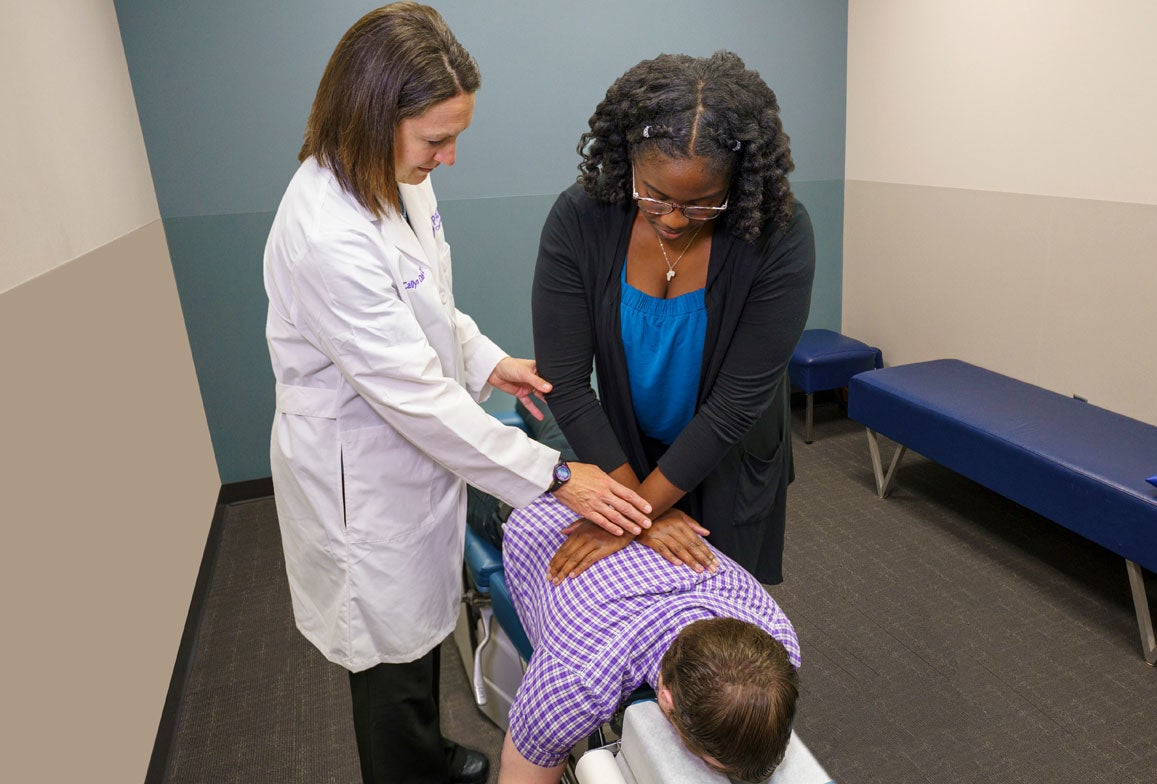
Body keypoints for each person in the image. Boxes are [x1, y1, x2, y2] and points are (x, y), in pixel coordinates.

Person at [262, 4, 652, 783]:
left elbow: (429, 303)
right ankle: (406, 771)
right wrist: (554, 475)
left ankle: (429, 754)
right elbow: (415, 400)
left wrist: (484, 359)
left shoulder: (398, 178)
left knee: (419, 638)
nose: (448, 159)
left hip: (409, 452)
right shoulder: (326, 235)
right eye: (436, 140)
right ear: (372, 118)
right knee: (387, 657)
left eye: (455, 138)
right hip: (361, 482)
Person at [532, 51, 815, 586]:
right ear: (628, 161)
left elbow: (733, 408)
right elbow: (566, 383)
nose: (674, 219)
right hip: (621, 450)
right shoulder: (581, 218)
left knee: (722, 607)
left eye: (704, 203)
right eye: (654, 197)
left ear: (739, 183)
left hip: (728, 455)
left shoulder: (778, 233)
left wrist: (630, 517)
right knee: (626, 598)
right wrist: (639, 511)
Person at [497, 495, 801, 783]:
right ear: (666, 700)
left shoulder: (777, 634)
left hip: (614, 489)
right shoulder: (578, 678)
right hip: (523, 504)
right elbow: (523, 768)